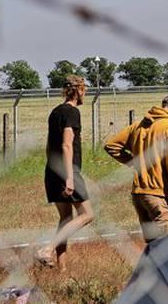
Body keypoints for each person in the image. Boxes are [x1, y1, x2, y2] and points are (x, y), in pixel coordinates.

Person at [104, 92, 168, 243]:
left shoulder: (139, 125)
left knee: (153, 245)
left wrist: (135, 162)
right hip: (158, 195)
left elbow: (111, 145)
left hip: (139, 196)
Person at [36, 75, 94, 269]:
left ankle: (62, 269)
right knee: (87, 214)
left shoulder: (55, 112)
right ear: (78, 90)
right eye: (84, 90)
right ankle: (47, 249)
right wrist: (69, 177)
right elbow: (67, 145)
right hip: (67, 171)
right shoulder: (72, 112)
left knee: (66, 219)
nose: (85, 94)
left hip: (52, 170)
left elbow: (48, 145)